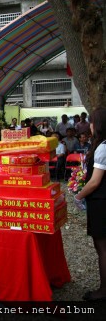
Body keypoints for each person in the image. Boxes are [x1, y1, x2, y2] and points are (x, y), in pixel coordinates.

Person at [74, 108, 106, 301]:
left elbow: (94, 181)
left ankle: (103, 292)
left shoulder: (102, 147)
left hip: (101, 202)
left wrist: (78, 196)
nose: (90, 126)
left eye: (92, 123)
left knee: (102, 248)